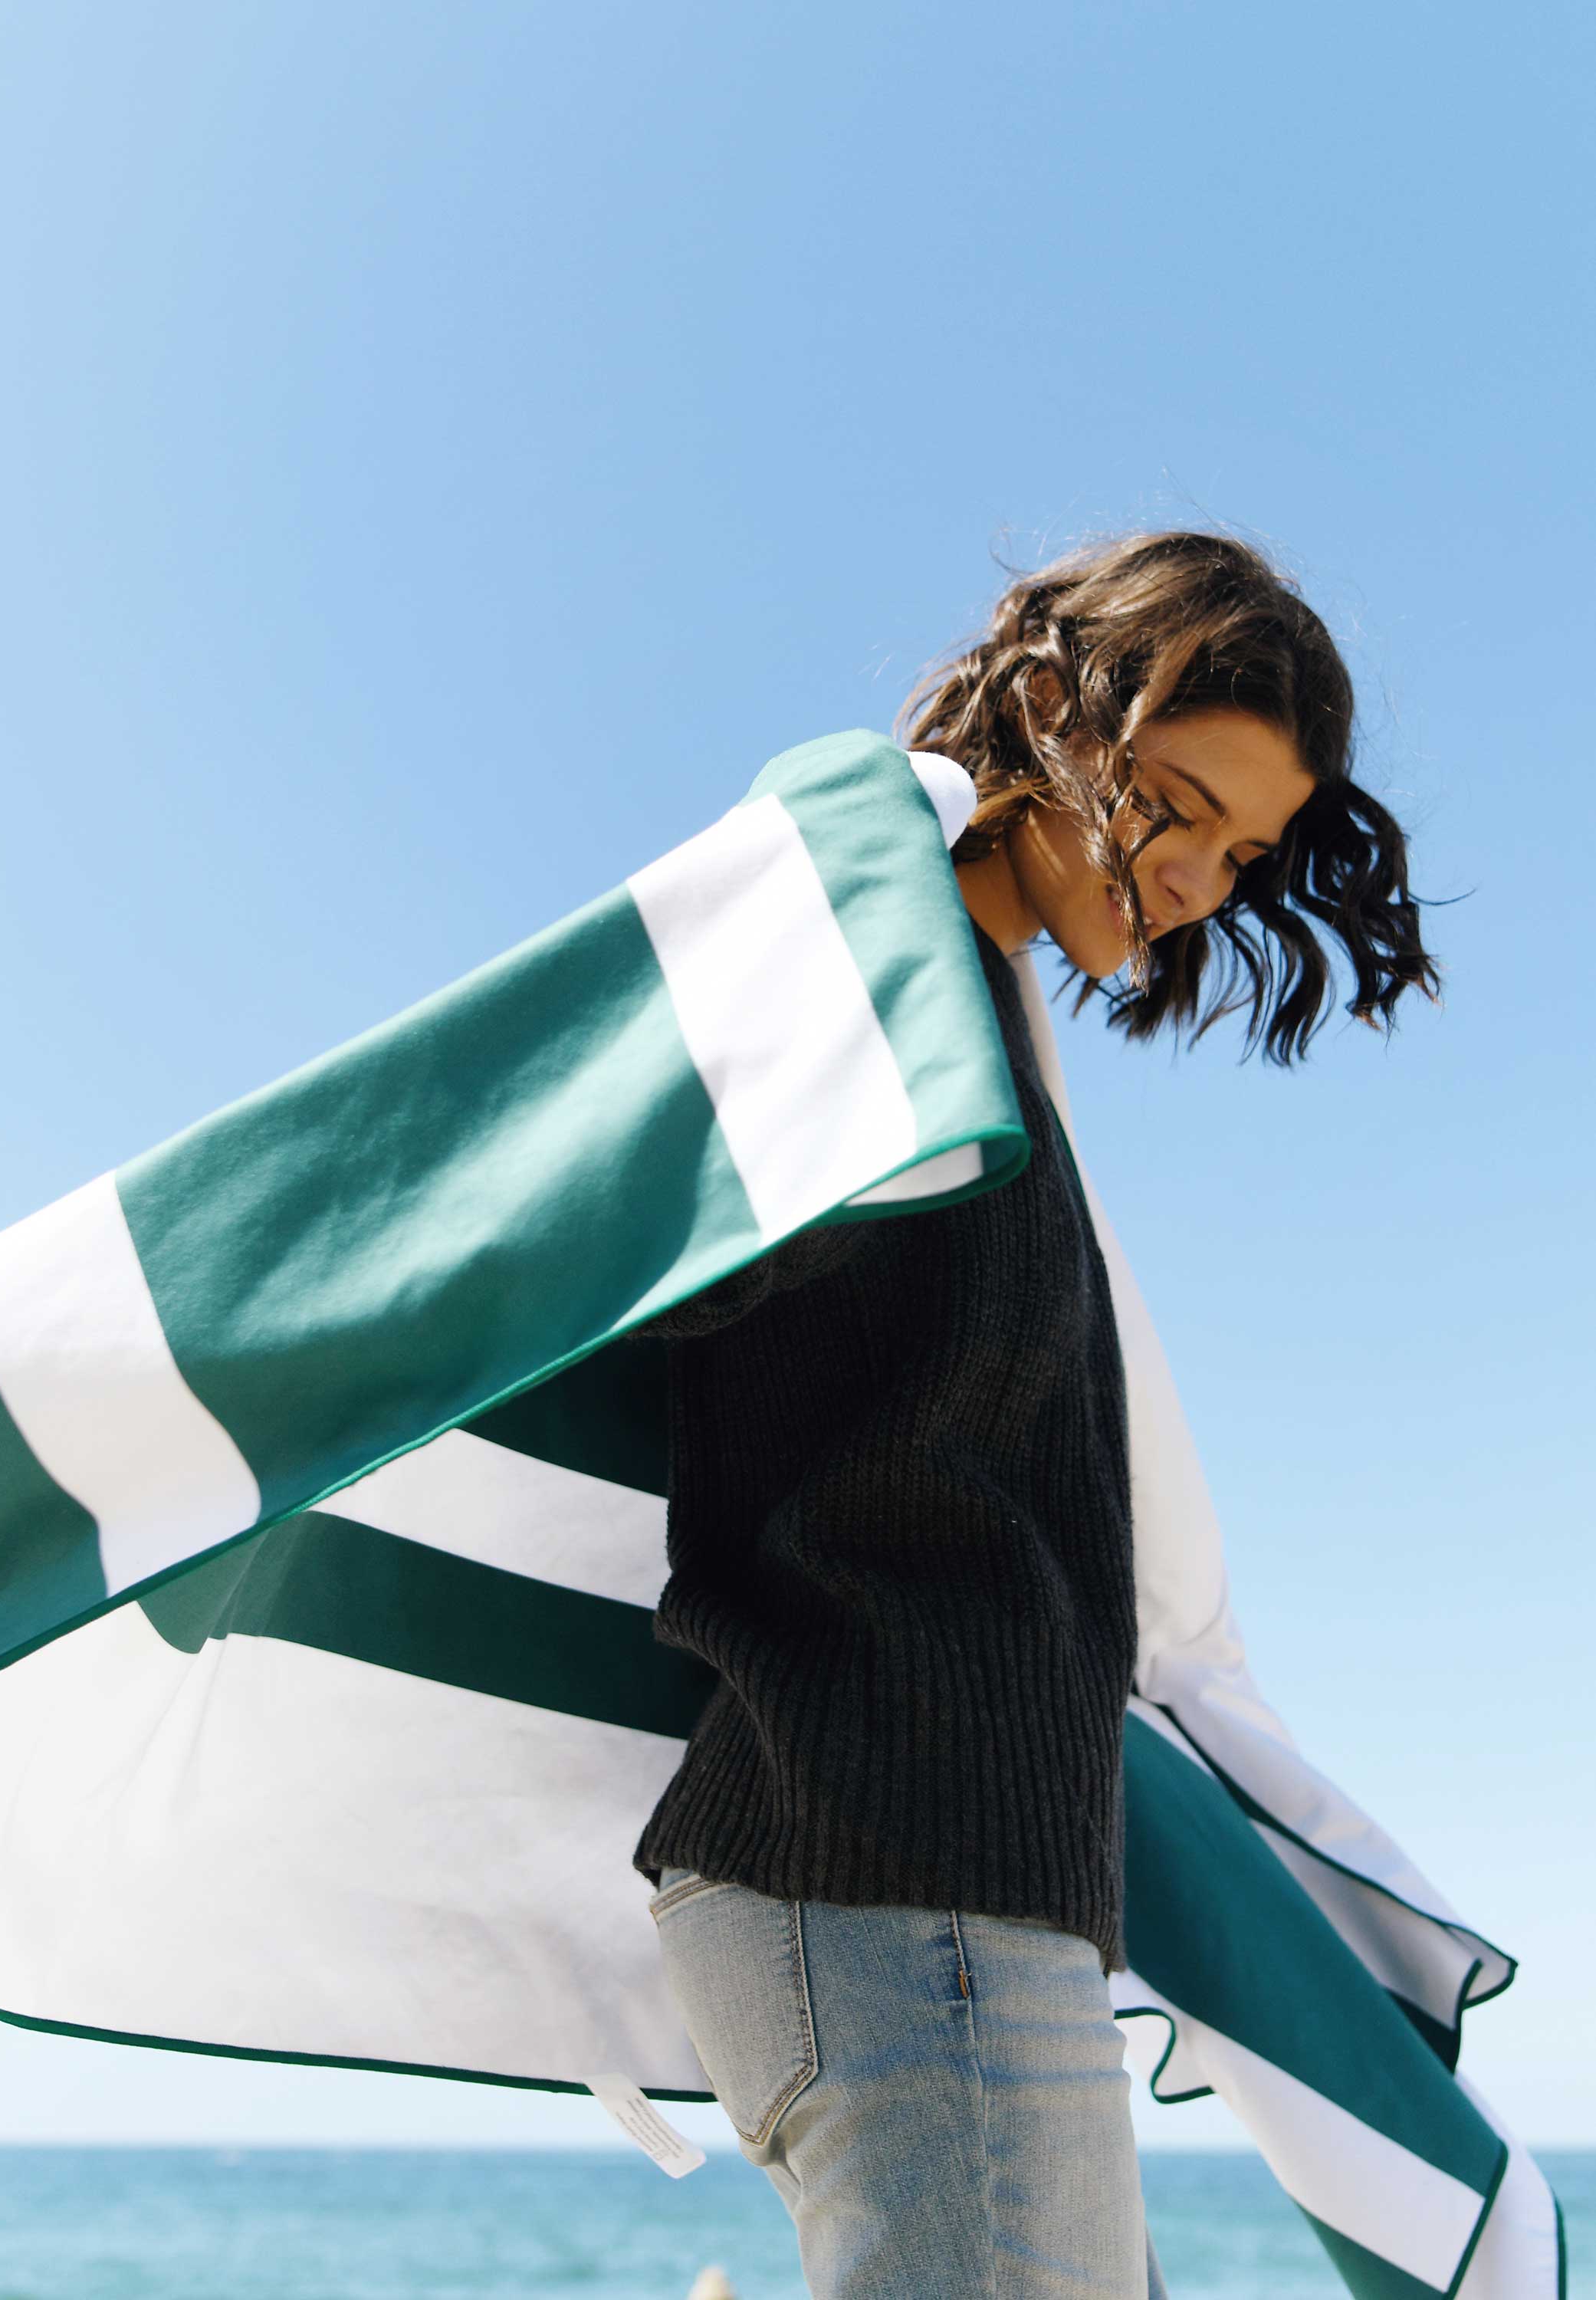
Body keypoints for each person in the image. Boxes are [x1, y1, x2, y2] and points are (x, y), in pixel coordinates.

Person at [629, 530, 1438, 2299]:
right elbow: (644, 1225)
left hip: (963, 1898)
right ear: (1054, 711)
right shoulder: (854, 957)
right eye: (1176, 805)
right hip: (879, 1877)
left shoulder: (984, 1051)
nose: (1205, 884)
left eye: (1245, 855)